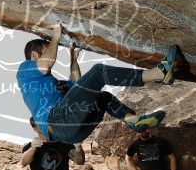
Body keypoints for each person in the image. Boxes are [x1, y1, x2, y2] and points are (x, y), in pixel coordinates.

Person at [16, 22, 184, 145]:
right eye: (47, 50)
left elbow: (78, 85)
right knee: (98, 72)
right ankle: (159, 73)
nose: (53, 52)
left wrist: (73, 59)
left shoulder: (51, 85)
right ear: (34, 56)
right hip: (58, 121)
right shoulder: (24, 71)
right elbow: (45, 65)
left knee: (102, 97)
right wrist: (56, 36)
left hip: (70, 133)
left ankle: (133, 120)